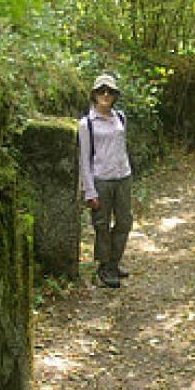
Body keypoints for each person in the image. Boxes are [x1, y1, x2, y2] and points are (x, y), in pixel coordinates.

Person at [79, 74, 133, 288]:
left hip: (123, 177)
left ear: (115, 95)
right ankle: (104, 267)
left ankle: (114, 262)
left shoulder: (120, 118)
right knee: (101, 225)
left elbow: (122, 148)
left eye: (110, 91)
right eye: (101, 91)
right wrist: (89, 191)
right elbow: (84, 159)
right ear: (94, 94)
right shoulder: (86, 124)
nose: (105, 95)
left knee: (124, 222)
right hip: (101, 179)